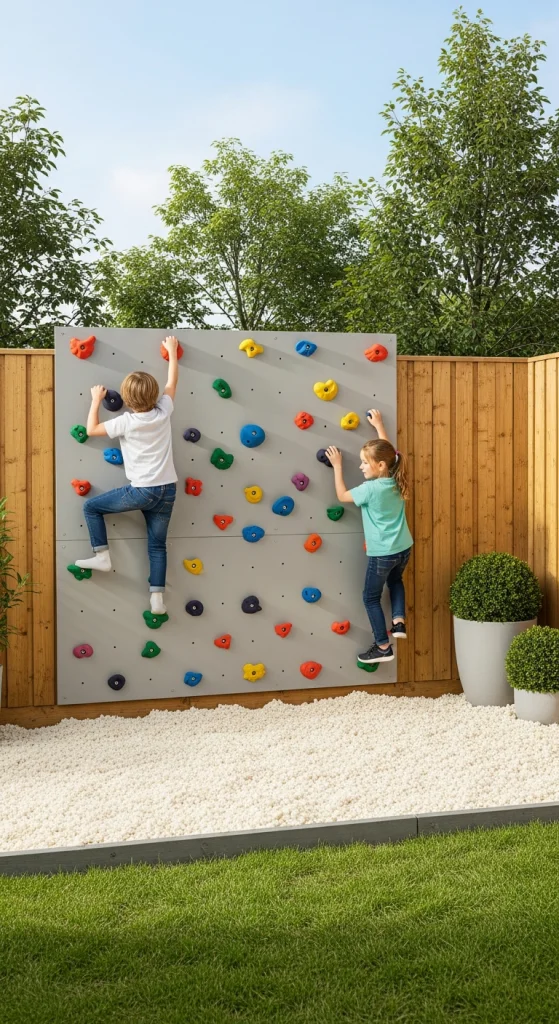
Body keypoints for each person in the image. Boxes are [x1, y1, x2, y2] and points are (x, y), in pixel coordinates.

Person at [75, 335, 180, 615]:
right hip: (167, 489)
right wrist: (172, 353)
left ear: (128, 400)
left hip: (142, 491)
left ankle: (102, 556)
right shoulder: (163, 411)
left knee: (90, 507)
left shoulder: (126, 421)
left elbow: (91, 430)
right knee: (157, 546)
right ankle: (157, 599)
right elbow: (172, 383)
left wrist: (95, 400)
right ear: (153, 395)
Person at [326, 408, 413, 664]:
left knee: (370, 597)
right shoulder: (397, 478)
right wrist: (379, 427)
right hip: (403, 548)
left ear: (380, 465)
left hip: (382, 553)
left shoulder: (370, 489)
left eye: (365, 462)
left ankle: (383, 646)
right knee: (396, 581)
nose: (361, 466)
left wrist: (337, 467)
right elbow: (391, 453)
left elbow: (342, 496)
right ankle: (398, 622)